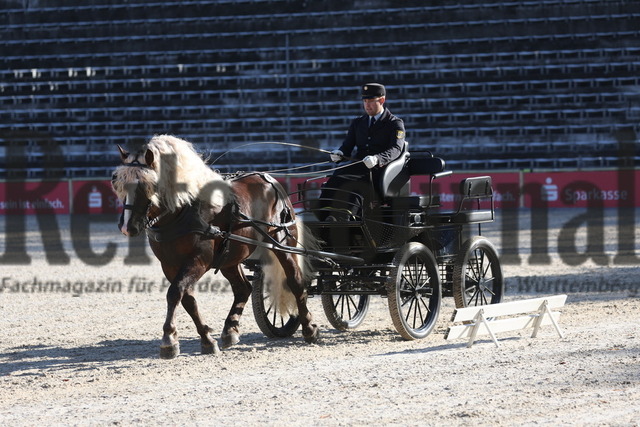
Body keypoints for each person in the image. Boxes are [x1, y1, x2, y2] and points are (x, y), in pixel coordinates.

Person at [317, 83, 406, 220]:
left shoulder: (394, 123)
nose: (367, 105)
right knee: (335, 180)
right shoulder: (358, 123)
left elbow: (396, 149)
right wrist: (339, 154)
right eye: (365, 101)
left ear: (382, 100)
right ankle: (325, 215)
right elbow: (347, 146)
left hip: (379, 169)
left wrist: (378, 158)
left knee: (354, 184)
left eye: (370, 101)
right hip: (358, 165)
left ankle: (346, 216)